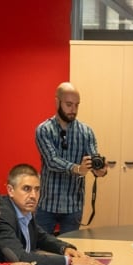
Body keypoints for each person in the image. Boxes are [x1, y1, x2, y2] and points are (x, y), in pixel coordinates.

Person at [0, 163, 103, 265]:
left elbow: (41, 237)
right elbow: (19, 258)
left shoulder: (23, 210)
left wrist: (65, 248)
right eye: (26, 189)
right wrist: (69, 261)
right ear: (10, 190)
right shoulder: (0, 215)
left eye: (37, 189)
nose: (33, 195)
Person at [34, 82, 107, 234]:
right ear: (57, 102)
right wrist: (77, 168)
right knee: (40, 249)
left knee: (70, 251)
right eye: (68, 104)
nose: (73, 110)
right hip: (47, 205)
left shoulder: (87, 132)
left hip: (73, 206)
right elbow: (52, 161)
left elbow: (93, 159)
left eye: (76, 105)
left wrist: (100, 170)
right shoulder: (44, 130)